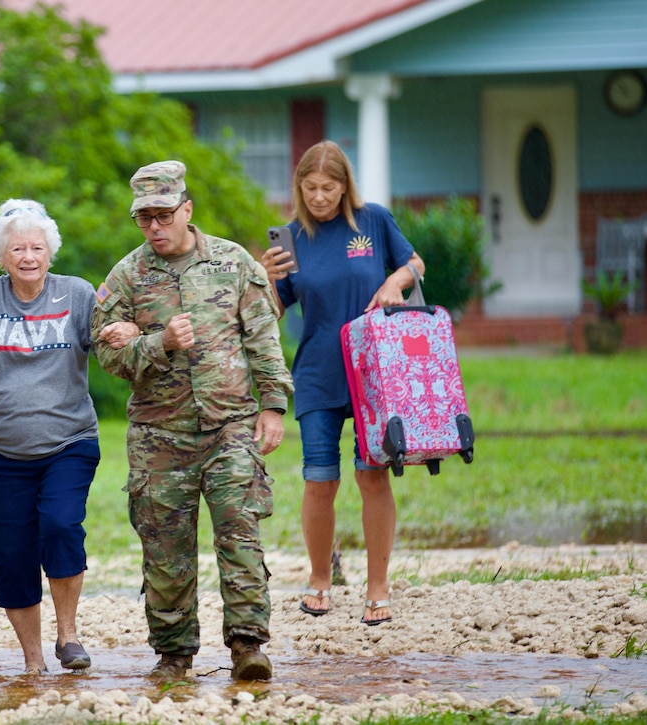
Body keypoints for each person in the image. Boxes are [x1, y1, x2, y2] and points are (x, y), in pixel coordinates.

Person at [91, 160, 294, 681]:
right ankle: (174, 654)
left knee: (240, 537)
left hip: (230, 427)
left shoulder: (234, 262)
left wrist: (273, 406)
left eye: (163, 215)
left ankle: (249, 646)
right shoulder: (126, 276)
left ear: (187, 210)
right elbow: (106, 356)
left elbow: (263, 340)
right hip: (159, 436)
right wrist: (158, 344)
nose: (154, 227)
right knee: (165, 550)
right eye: (144, 219)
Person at [0, 199, 135, 675]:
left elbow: (108, 335)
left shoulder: (77, 294)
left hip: (69, 441)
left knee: (61, 525)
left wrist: (126, 327)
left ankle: (68, 635)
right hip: (0, 449)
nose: (28, 256)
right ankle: (33, 661)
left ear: (50, 253)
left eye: (37, 247)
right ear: (2, 256)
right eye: (17, 248)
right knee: (11, 554)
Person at [260, 140, 425, 626]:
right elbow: (271, 311)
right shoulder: (291, 238)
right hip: (318, 370)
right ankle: (319, 580)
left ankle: (378, 587)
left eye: (328, 187)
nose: (318, 197)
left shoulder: (372, 220)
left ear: (345, 186)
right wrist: (265, 279)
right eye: (309, 188)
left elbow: (415, 265)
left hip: (376, 370)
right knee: (319, 479)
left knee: (370, 475)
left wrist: (397, 282)